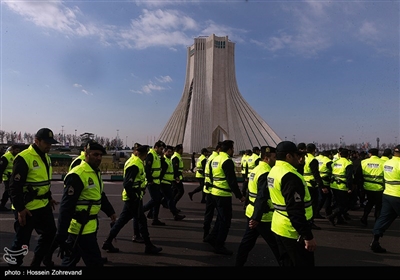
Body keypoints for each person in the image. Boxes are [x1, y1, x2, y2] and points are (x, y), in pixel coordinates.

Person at [54, 141, 117, 266]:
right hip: (80, 228)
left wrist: (110, 212)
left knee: (70, 259)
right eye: (95, 155)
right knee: (94, 262)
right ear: (86, 154)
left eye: (100, 155)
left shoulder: (94, 172)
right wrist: (61, 235)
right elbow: (66, 207)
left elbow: (99, 195)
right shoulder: (78, 174)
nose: (98, 158)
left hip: (89, 226)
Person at [8, 128, 59, 267]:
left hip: (43, 205)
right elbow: (14, 187)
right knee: (21, 243)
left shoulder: (46, 156)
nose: (49, 145)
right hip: (27, 207)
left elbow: (43, 181)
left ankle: (35, 264)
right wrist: (20, 209)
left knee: (50, 233)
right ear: (36, 141)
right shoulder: (24, 158)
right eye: (46, 142)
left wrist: (49, 197)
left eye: (51, 143)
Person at [102, 144, 162, 255]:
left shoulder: (136, 161)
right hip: (132, 198)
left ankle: (108, 241)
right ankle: (148, 246)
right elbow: (127, 184)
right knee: (141, 221)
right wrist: (134, 197)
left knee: (123, 220)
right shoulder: (134, 164)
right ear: (144, 154)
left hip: (134, 196)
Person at [267, 141, 316, 266]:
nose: (299, 158)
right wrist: (307, 236)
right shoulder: (290, 176)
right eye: (296, 155)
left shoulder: (274, 170)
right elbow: (295, 210)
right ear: (288, 156)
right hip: (292, 231)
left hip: (279, 226)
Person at [235, 146, 281, 266]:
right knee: (278, 246)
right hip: (263, 216)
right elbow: (262, 197)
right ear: (266, 158)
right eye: (274, 157)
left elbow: (250, 192)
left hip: (252, 212)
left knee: (247, 242)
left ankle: (238, 264)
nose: (276, 160)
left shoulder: (255, 170)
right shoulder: (266, 173)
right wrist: (256, 218)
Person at [208, 140, 245, 255]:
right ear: (229, 149)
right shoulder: (227, 161)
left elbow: (210, 175)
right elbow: (232, 181)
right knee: (225, 221)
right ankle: (219, 245)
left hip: (214, 192)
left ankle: (212, 237)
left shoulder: (214, 159)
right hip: (223, 194)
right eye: (232, 149)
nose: (233, 151)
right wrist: (240, 196)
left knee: (220, 218)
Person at [369, 145, 400, 253]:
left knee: (383, 218)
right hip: (398, 195)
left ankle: (375, 241)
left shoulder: (387, 163)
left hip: (387, 194)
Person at [355, 148, 384, 227]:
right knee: (378, 205)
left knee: (369, 203)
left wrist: (360, 186)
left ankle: (364, 217)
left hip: (367, 187)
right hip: (379, 187)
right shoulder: (383, 162)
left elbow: (358, 175)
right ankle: (377, 221)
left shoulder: (364, 162)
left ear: (370, 154)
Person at [327, 148, 354, 226]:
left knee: (337, 203)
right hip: (342, 186)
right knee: (344, 205)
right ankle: (332, 216)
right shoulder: (348, 163)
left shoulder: (335, 162)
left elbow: (329, 170)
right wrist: (350, 188)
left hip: (333, 185)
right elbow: (349, 177)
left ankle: (339, 219)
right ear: (348, 155)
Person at [143, 140, 167, 226]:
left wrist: (162, 157)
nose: (162, 150)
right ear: (156, 147)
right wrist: (150, 181)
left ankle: (155, 218)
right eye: (161, 148)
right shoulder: (151, 155)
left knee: (158, 199)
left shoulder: (157, 155)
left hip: (157, 181)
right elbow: (147, 169)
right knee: (155, 199)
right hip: (152, 182)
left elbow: (163, 166)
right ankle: (141, 210)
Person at [159, 145, 186, 221]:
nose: (170, 153)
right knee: (172, 196)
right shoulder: (166, 160)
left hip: (168, 182)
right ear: (165, 152)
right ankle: (175, 213)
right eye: (169, 151)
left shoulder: (169, 159)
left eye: (171, 151)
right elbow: (163, 172)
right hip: (164, 182)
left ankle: (152, 214)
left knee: (158, 199)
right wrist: (176, 177)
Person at [303, 143, 326, 230]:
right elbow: (316, 174)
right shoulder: (313, 160)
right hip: (311, 185)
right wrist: (322, 186)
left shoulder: (302, 157)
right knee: (313, 204)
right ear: (314, 150)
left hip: (303, 183)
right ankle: (310, 222)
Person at [202, 142, 222, 242]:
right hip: (214, 190)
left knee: (209, 213)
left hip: (208, 189)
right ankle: (212, 236)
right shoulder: (216, 159)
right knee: (221, 214)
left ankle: (206, 234)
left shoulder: (210, 158)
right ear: (219, 149)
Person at [0, 145, 21, 211]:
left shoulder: (17, 156)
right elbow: (1, 169)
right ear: (12, 150)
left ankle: (2, 205)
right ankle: (13, 205)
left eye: (18, 150)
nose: (17, 152)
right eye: (16, 150)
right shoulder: (6, 157)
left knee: (8, 192)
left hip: (13, 177)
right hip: (6, 177)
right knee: (9, 191)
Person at [315, 149, 333, 218]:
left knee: (320, 198)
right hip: (325, 182)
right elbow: (332, 171)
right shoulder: (328, 161)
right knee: (326, 198)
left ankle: (318, 212)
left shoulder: (316, 158)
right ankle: (327, 212)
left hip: (315, 181)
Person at [171, 144, 185, 209]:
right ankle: (172, 205)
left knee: (174, 191)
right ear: (179, 150)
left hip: (177, 177)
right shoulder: (176, 157)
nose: (182, 151)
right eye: (182, 149)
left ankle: (169, 204)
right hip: (176, 178)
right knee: (181, 191)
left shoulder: (177, 156)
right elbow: (175, 169)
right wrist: (176, 178)